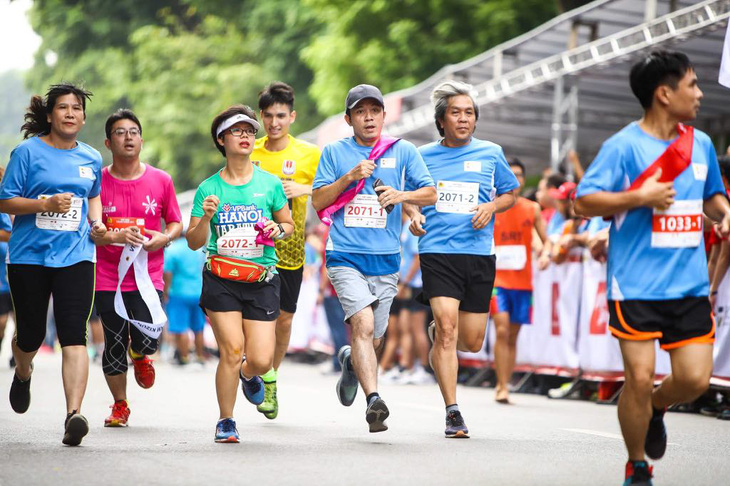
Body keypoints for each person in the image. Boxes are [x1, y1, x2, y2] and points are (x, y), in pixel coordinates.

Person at [574, 50, 730, 486]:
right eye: (692, 85)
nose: (700, 94)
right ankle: (637, 464)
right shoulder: (623, 147)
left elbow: (713, 196)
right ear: (664, 93)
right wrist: (637, 198)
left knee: (696, 379)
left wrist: (724, 212)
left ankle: (659, 406)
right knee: (638, 379)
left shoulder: (699, 144)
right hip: (636, 286)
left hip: (689, 285)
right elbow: (582, 202)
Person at [312, 84, 436, 433]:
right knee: (363, 326)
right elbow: (319, 202)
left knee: (374, 339)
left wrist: (406, 201)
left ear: (383, 115)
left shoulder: (403, 150)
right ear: (349, 118)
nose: (369, 117)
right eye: (361, 112)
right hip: (344, 255)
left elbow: (430, 193)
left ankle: (352, 362)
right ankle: (374, 401)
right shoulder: (335, 152)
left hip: (386, 259)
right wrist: (349, 177)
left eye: (375, 111)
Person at [406, 80, 519, 438]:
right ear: (441, 120)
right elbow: (409, 195)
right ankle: (453, 411)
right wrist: (412, 214)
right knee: (449, 331)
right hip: (437, 252)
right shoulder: (422, 155)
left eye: (469, 112)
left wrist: (491, 205)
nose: (463, 118)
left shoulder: (491, 153)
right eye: (455, 112)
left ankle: (439, 334)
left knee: (470, 341)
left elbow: (511, 193)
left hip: (478, 255)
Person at [1, 83, 106, 446]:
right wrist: (43, 205)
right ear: (50, 115)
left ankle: (73, 414)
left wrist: (97, 223)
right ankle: (24, 370)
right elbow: (6, 201)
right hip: (29, 256)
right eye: (63, 108)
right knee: (29, 333)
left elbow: (94, 197)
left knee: (73, 333)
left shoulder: (91, 157)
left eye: (77, 108)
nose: (70, 113)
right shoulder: (27, 153)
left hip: (77, 256)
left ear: (83, 116)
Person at [187, 105, 294, 443]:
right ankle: (226, 420)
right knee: (232, 350)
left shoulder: (270, 183)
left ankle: (250, 375)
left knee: (261, 360)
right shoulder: (208, 188)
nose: (247, 135)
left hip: (261, 278)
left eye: (250, 130)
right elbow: (193, 242)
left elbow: (288, 225)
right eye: (237, 130)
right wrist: (205, 219)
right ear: (222, 139)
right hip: (221, 279)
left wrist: (278, 229)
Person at [92, 109, 183, 427]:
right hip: (108, 278)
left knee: (149, 338)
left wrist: (165, 237)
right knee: (113, 341)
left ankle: (142, 353)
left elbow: (175, 222)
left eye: (133, 131)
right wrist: (110, 235)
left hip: (148, 277)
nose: (128, 136)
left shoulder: (161, 180)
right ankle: (120, 405)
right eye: (120, 132)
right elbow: (91, 230)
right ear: (108, 141)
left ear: (141, 140)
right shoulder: (98, 182)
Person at [251, 82, 321, 419]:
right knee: (255, 321)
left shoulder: (309, 153)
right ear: (261, 117)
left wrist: (304, 187)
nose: (275, 122)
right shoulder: (251, 151)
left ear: (292, 116)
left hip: (291, 251)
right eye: (269, 116)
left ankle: (270, 378)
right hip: (251, 250)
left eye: (281, 115)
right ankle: (257, 368)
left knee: (284, 319)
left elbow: (328, 194)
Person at [492, 158, 547, 404]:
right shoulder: (492, 207)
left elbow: (545, 241)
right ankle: (501, 386)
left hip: (523, 283)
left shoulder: (532, 209)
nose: (516, 179)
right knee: (502, 329)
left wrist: (545, 254)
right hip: (497, 281)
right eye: (510, 174)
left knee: (512, 336)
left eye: (519, 175)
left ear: (523, 180)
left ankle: (505, 381)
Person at [164, 233, 207, 366]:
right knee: (198, 327)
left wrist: (166, 291)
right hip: (198, 292)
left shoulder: (173, 249)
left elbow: (167, 272)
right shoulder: (199, 249)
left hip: (178, 292)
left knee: (180, 327)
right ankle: (200, 357)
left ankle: (184, 357)